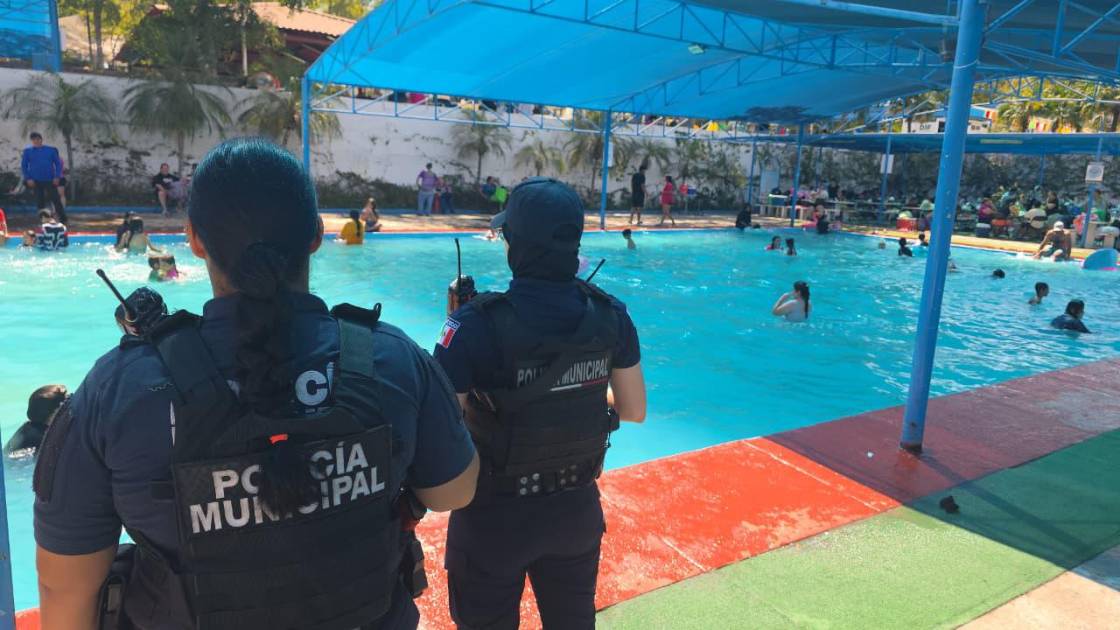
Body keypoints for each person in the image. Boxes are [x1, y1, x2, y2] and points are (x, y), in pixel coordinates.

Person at [33, 138, 479, 630]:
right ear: (315, 234)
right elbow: (453, 493)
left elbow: (65, 586)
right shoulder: (390, 357)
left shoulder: (118, 390)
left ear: (195, 239)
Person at [433, 177, 646, 630]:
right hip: (575, 513)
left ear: (514, 244)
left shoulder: (473, 326)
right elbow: (633, 410)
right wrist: (578, 388)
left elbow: (441, 429)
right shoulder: (611, 315)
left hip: (493, 521)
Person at [5, 384, 68, 457]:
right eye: (65, 406)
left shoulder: (26, 428)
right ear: (52, 415)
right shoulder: (44, 438)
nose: (67, 410)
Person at [21, 132, 67, 224]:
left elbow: (58, 164)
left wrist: (57, 176)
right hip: (36, 180)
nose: (36, 141)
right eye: (34, 139)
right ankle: (43, 219)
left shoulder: (50, 150)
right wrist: (28, 178)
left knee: (56, 199)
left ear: (41, 139)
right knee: (39, 201)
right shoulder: (28, 151)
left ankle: (63, 218)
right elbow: (24, 165)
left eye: (38, 139)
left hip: (50, 179)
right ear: (32, 141)